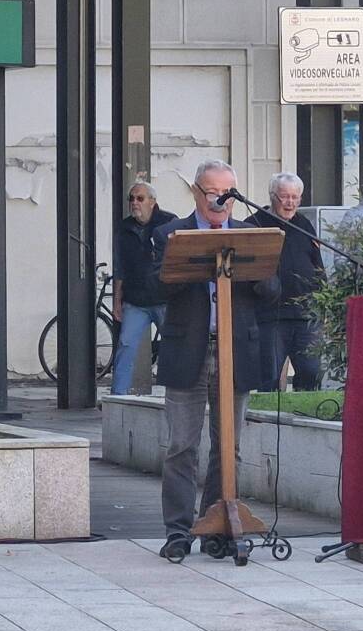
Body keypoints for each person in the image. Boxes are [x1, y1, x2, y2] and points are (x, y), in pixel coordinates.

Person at [149, 160, 280, 558]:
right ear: (196, 193)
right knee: (181, 446)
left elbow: (273, 290)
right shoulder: (170, 233)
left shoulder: (251, 234)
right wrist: (193, 261)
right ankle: (178, 531)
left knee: (229, 447)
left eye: (227, 192)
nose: (219, 200)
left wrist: (248, 268)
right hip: (187, 348)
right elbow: (154, 285)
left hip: (235, 350)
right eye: (211, 192)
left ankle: (218, 526)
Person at [246, 172, 325, 392]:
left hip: (306, 315)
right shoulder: (253, 224)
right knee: (269, 376)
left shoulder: (304, 224)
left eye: (295, 197)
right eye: (284, 197)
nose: (290, 202)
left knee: (312, 371)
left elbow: (317, 264)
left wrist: (323, 301)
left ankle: (304, 413)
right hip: (270, 315)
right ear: (272, 197)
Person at [110, 182, 176, 395]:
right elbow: (120, 266)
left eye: (140, 198)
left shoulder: (169, 222)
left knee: (173, 346)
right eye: (132, 198)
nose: (134, 202)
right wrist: (116, 301)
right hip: (135, 300)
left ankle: (174, 394)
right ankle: (117, 396)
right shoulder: (124, 227)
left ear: (152, 201)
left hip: (164, 298)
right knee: (126, 345)